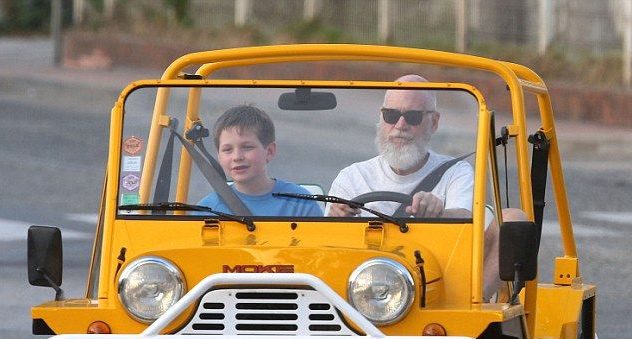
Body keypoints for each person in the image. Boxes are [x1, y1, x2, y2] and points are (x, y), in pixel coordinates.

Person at [327, 75, 525, 300]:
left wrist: (440, 212)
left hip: (441, 293)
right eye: (391, 115)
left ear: (434, 122)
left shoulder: (456, 172)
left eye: (413, 117)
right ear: (381, 118)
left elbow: (467, 218)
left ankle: (473, 304)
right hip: (362, 293)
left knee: (513, 218)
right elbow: (326, 248)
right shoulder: (352, 177)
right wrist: (336, 216)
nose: (400, 126)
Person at [198, 104, 322, 217]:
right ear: (219, 157)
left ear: (269, 151)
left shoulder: (302, 205)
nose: (237, 157)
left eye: (247, 147)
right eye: (227, 149)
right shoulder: (207, 211)